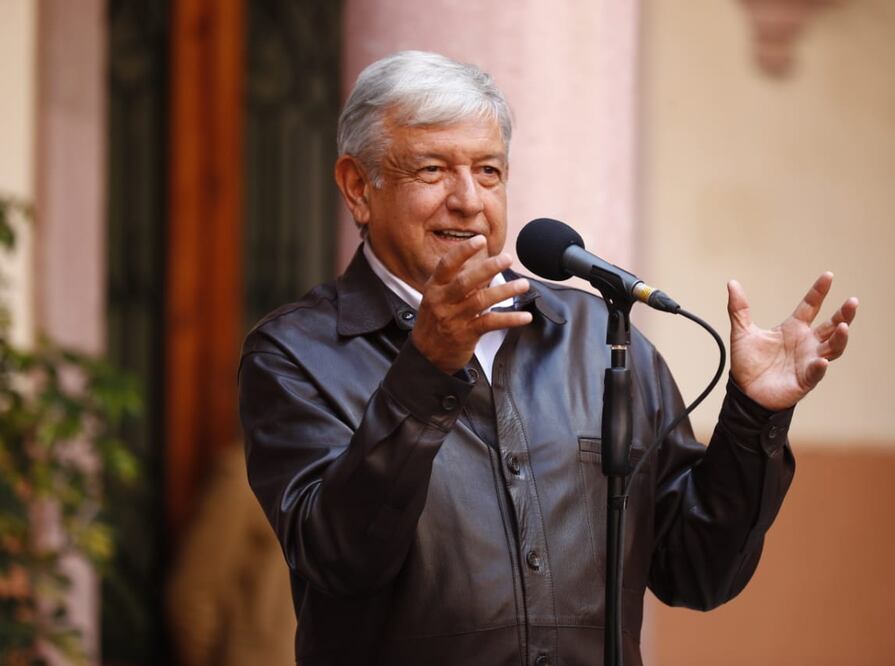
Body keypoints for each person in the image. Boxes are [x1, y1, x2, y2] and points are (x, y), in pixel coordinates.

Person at [238, 50, 857, 666]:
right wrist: (425, 370)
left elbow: (696, 572)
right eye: (431, 170)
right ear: (358, 187)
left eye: (488, 171)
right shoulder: (296, 354)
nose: (468, 200)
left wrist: (753, 416)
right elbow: (341, 559)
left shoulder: (597, 337)